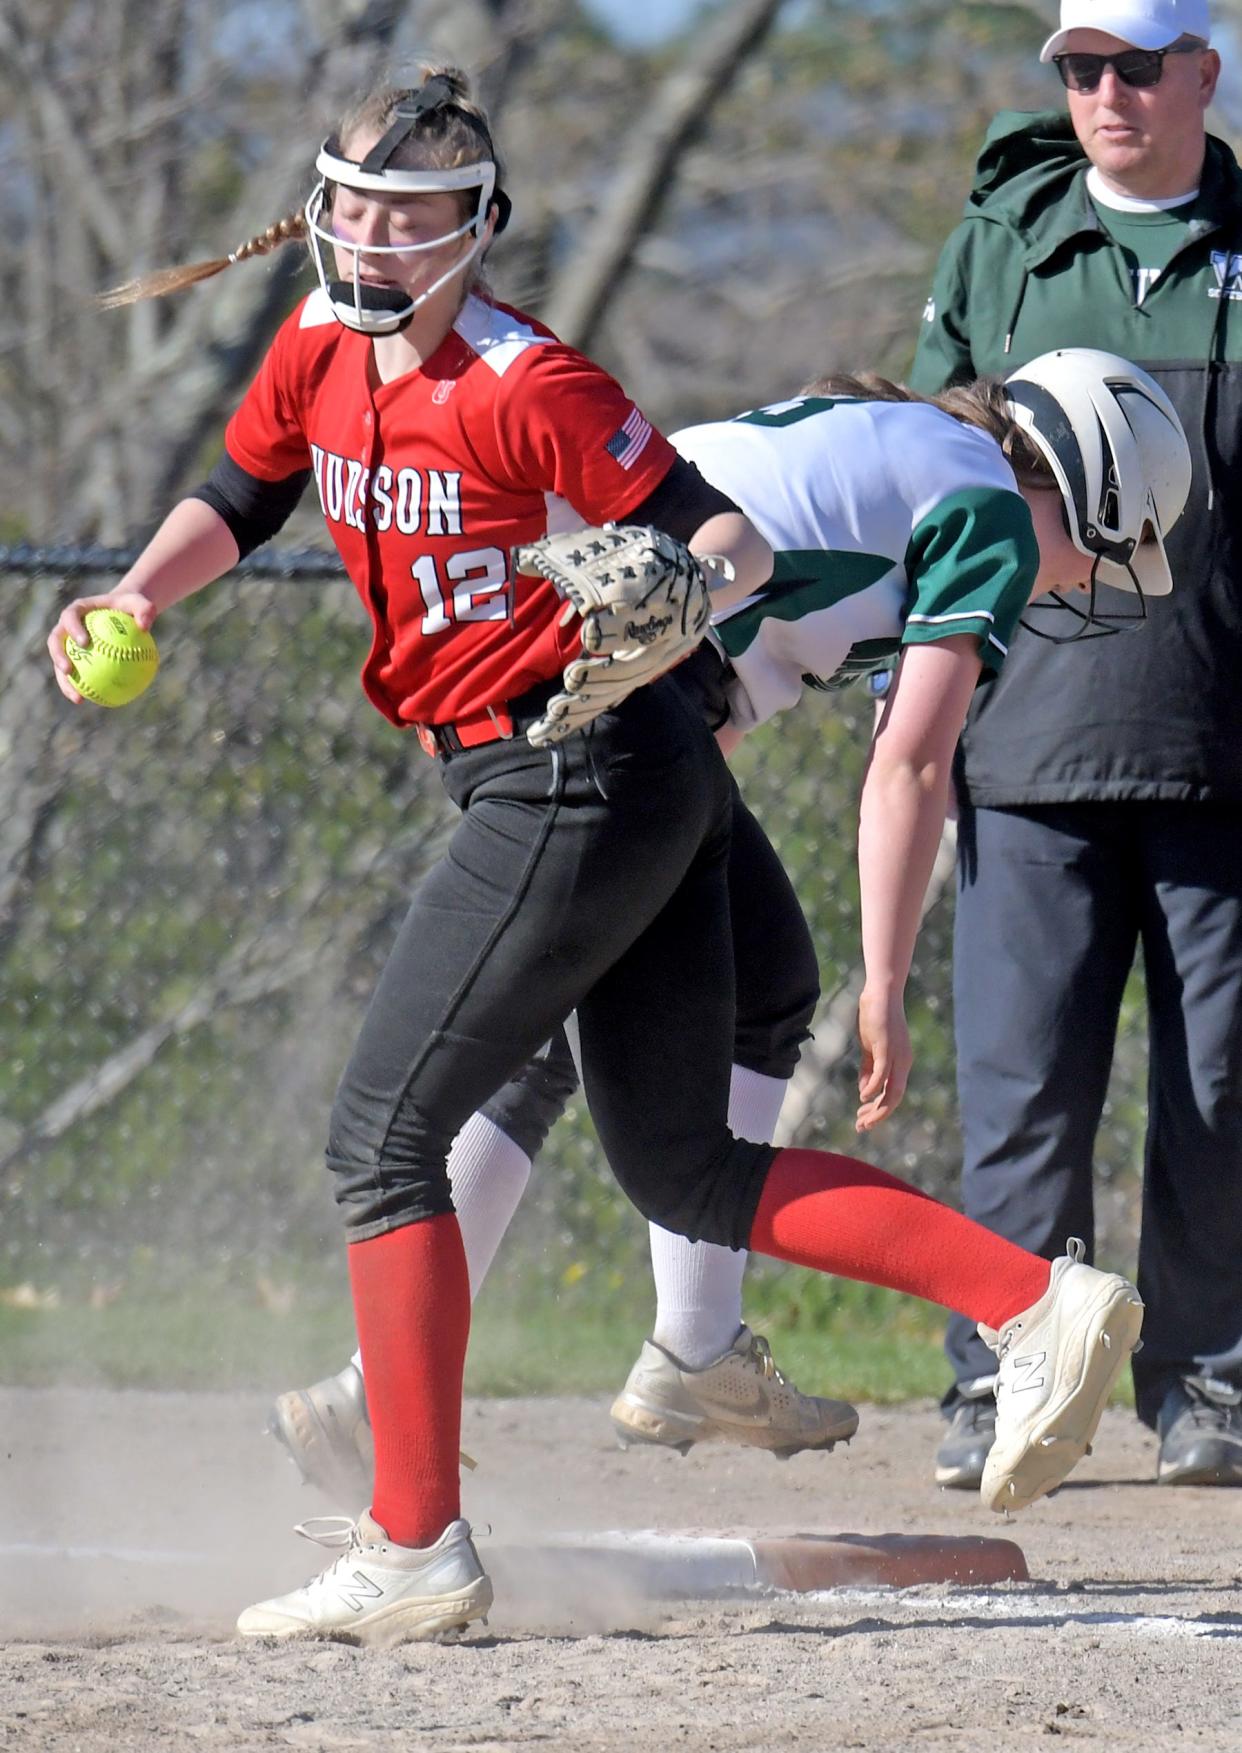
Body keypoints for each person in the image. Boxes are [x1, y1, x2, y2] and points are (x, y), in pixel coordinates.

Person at [53, 67, 1148, 1648]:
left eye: (407, 216)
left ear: (475, 230)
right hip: (606, 775)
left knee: (382, 1133)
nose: (367, 240)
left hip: (573, 770)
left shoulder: (525, 380)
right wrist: (145, 595)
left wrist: (677, 594)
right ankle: (1031, 1300)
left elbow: (731, 540)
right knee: (682, 1166)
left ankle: (412, 1539)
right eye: (349, 205)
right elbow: (244, 490)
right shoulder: (316, 348)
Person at [271, 349, 1194, 1505]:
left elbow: (726, 674)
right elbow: (909, 767)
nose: (1072, 584)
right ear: (1071, 481)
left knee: (759, 982)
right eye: (1099, 552)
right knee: (657, 1145)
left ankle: (690, 1348)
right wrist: (890, 983)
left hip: (606, 704)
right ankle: (403, 1387)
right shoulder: (993, 512)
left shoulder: (914, 457)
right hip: (588, 718)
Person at [909, 0, 1242, 1493]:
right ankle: (1000, 1371)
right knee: (1021, 1088)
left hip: (1224, 745)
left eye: (1134, 66)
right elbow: (934, 477)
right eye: (1077, 67)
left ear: (1200, 76)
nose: (1103, 93)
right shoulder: (1002, 244)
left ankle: (1210, 1383)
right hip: (1027, 741)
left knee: (1222, 1089)